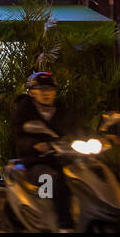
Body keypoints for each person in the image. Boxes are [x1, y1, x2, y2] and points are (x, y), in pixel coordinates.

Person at [11, 71, 80, 227]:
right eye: (42, 89)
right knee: (53, 179)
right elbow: (19, 137)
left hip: (63, 159)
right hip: (36, 162)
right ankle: (63, 224)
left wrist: (101, 137)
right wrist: (34, 145)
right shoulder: (24, 111)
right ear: (32, 92)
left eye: (50, 89)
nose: (47, 93)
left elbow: (78, 128)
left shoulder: (62, 109)